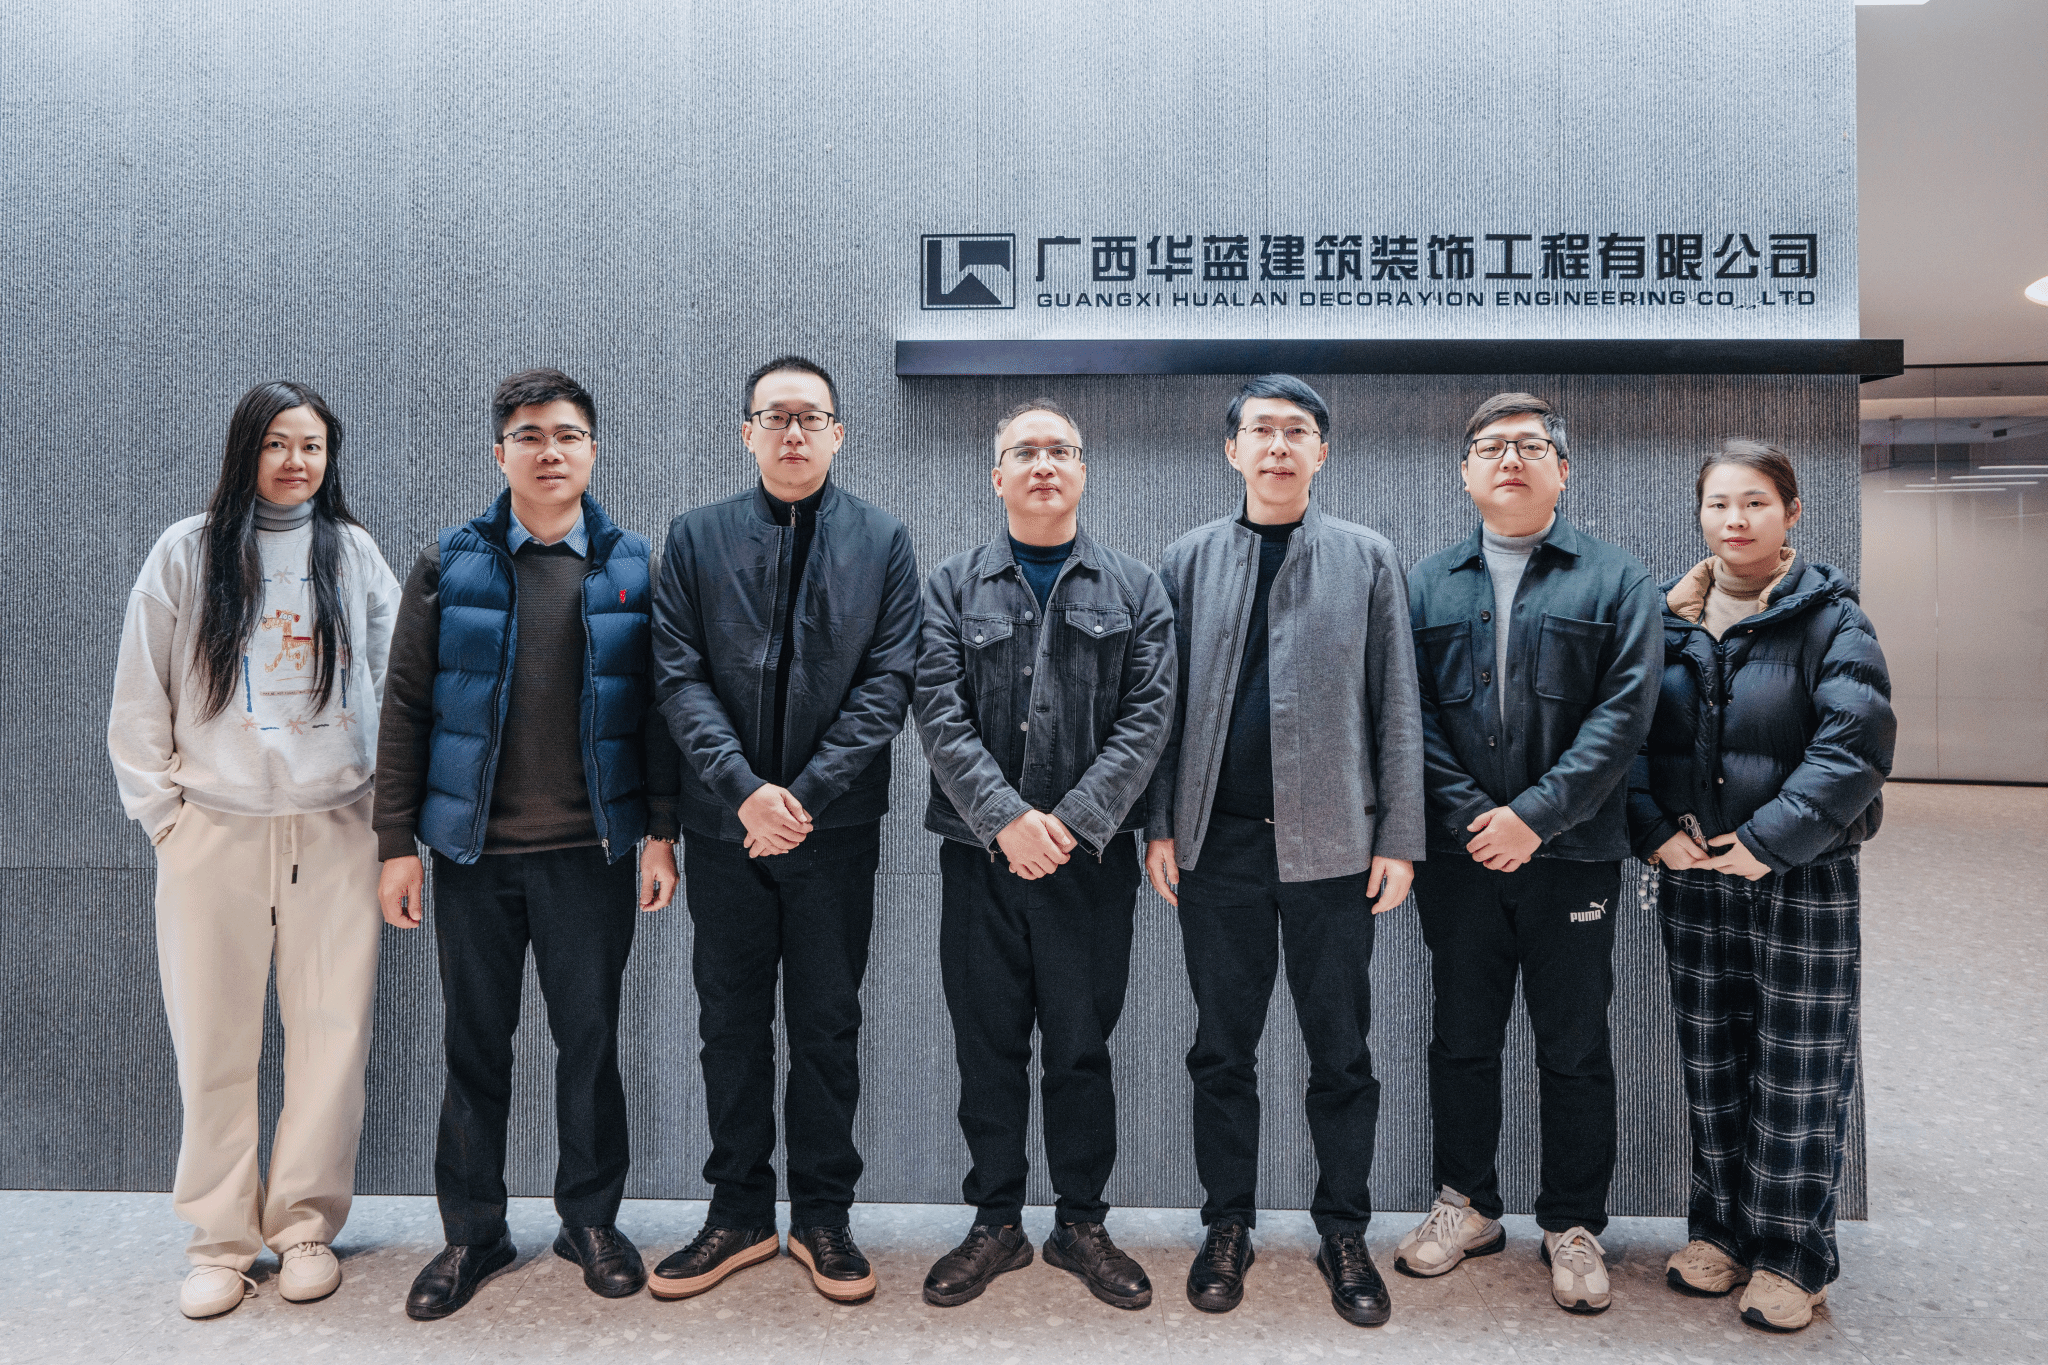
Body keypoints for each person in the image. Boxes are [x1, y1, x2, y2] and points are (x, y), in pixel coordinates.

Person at [373, 367, 679, 1320]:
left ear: (594, 450)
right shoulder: (449, 562)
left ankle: (591, 1221)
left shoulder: (632, 566)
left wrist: (661, 833)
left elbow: (659, 715)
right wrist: (395, 842)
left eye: (568, 435)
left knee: (590, 1043)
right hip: (475, 856)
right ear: (499, 452)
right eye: (531, 436)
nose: (551, 452)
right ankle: (474, 1232)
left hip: (592, 853)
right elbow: (406, 707)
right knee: (475, 1045)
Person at [110, 380, 400, 1320]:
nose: (295, 461)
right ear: (246, 449)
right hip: (214, 829)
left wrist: (388, 817)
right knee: (213, 1039)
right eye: (277, 443)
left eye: (312, 445)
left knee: (333, 1036)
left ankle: (306, 1224)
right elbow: (139, 694)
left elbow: (397, 684)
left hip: (337, 829)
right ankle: (221, 1240)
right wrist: (166, 817)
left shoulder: (352, 552)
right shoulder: (186, 551)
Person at [1142, 375, 1425, 1327]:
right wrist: (1159, 824)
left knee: (1341, 1052)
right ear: (1232, 450)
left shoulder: (1367, 557)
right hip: (1215, 847)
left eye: (1296, 431)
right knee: (1222, 1049)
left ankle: (1343, 1229)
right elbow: (1160, 710)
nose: (1277, 445)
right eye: (1260, 430)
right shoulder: (1187, 558)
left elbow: (1397, 704)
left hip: (1336, 848)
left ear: (1321, 451)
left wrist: (1401, 838)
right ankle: (1228, 1225)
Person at [646, 356, 919, 1303]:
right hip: (724, 829)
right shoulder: (696, 536)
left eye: (811, 418)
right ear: (748, 433)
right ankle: (736, 1213)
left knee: (827, 1023)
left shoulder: (883, 539)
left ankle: (824, 1216)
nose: (793, 432)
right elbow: (678, 674)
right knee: (729, 1024)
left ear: (839, 433)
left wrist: (797, 797)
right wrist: (743, 793)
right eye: (776, 417)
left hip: (834, 829)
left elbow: (888, 683)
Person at [1399, 391, 1661, 1315]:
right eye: (1490, 446)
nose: (1510, 458)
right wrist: (1481, 817)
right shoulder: (1426, 582)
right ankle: (1466, 1203)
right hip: (1461, 855)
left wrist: (1535, 819)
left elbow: (1624, 717)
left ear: (1563, 469)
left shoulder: (1617, 578)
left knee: (1575, 1044)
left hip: (1575, 854)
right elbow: (1408, 716)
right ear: (1465, 470)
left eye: (1530, 445)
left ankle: (1573, 1221)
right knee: (1461, 1038)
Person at [914, 399, 1175, 1311]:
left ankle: (1080, 1223)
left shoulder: (1136, 588)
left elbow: (1149, 718)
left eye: (1060, 450)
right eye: (1024, 451)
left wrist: (1067, 821)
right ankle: (995, 1222)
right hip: (977, 859)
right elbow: (937, 712)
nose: (1043, 465)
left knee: (1080, 1049)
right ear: (997, 475)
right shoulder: (951, 586)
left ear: (1082, 469)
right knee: (986, 1048)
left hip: (1090, 863)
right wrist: (1006, 821)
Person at [1630, 440, 1892, 1333]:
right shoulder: (1666, 619)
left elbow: (1855, 747)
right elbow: (1628, 737)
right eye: (1718, 504)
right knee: (1712, 1059)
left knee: (1799, 1067)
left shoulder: (1833, 619)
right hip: (1696, 875)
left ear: (1791, 513)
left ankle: (1793, 1254)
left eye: (1754, 502)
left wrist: (1769, 841)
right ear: (1699, 514)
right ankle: (1720, 1231)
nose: (1735, 520)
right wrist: (1653, 830)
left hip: (1802, 875)